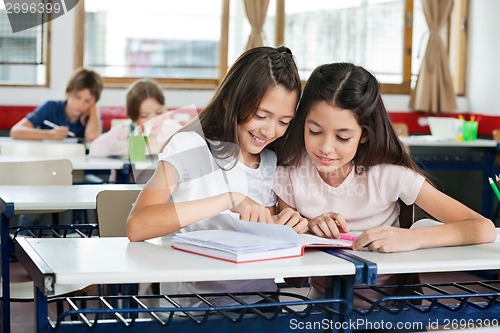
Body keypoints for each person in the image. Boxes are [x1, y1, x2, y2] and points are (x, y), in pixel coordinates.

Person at [273, 62, 496, 305]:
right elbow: (293, 278)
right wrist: (304, 229)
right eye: (315, 131)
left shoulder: (388, 174)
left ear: (364, 134)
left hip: (391, 311)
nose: (326, 148)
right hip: (323, 310)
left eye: (343, 137)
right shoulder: (290, 173)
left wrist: (410, 238)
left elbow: (481, 228)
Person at [126, 46, 304, 308]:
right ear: (230, 102)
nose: (269, 130)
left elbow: (284, 267)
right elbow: (137, 226)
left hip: (260, 307)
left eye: (284, 121)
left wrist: (288, 226)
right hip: (194, 311)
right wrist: (229, 199)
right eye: (261, 115)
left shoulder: (269, 162)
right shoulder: (191, 147)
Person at [89, 79, 180, 158]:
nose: (154, 120)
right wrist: (141, 147)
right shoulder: (125, 131)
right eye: (145, 116)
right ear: (133, 117)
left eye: (159, 113)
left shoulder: (173, 130)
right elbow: (95, 148)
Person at [10, 68, 103, 142]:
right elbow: (16, 131)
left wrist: (93, 109)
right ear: (69, 93)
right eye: (77, 97)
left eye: (88, 101)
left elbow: (92, 138)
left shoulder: (92, 116)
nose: (81, 104)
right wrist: (50, 134)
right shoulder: (50, 107)